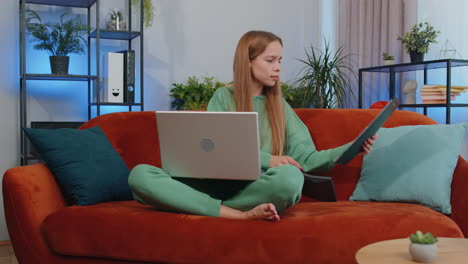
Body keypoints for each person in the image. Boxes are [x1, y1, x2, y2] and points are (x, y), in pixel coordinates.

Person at [128, 30, 376, 222]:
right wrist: (268, 159)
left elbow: (306, 159)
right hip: (210, 183)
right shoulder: (223, 97)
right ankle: (236, 214)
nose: (277, 67)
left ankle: (199, 205)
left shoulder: (280, 106)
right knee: (140, 174)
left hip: (254, 189)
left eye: (280, 60)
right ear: (247, 61)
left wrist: (352, 147)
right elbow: (214, 152)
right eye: (270, 59)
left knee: (290, 178)